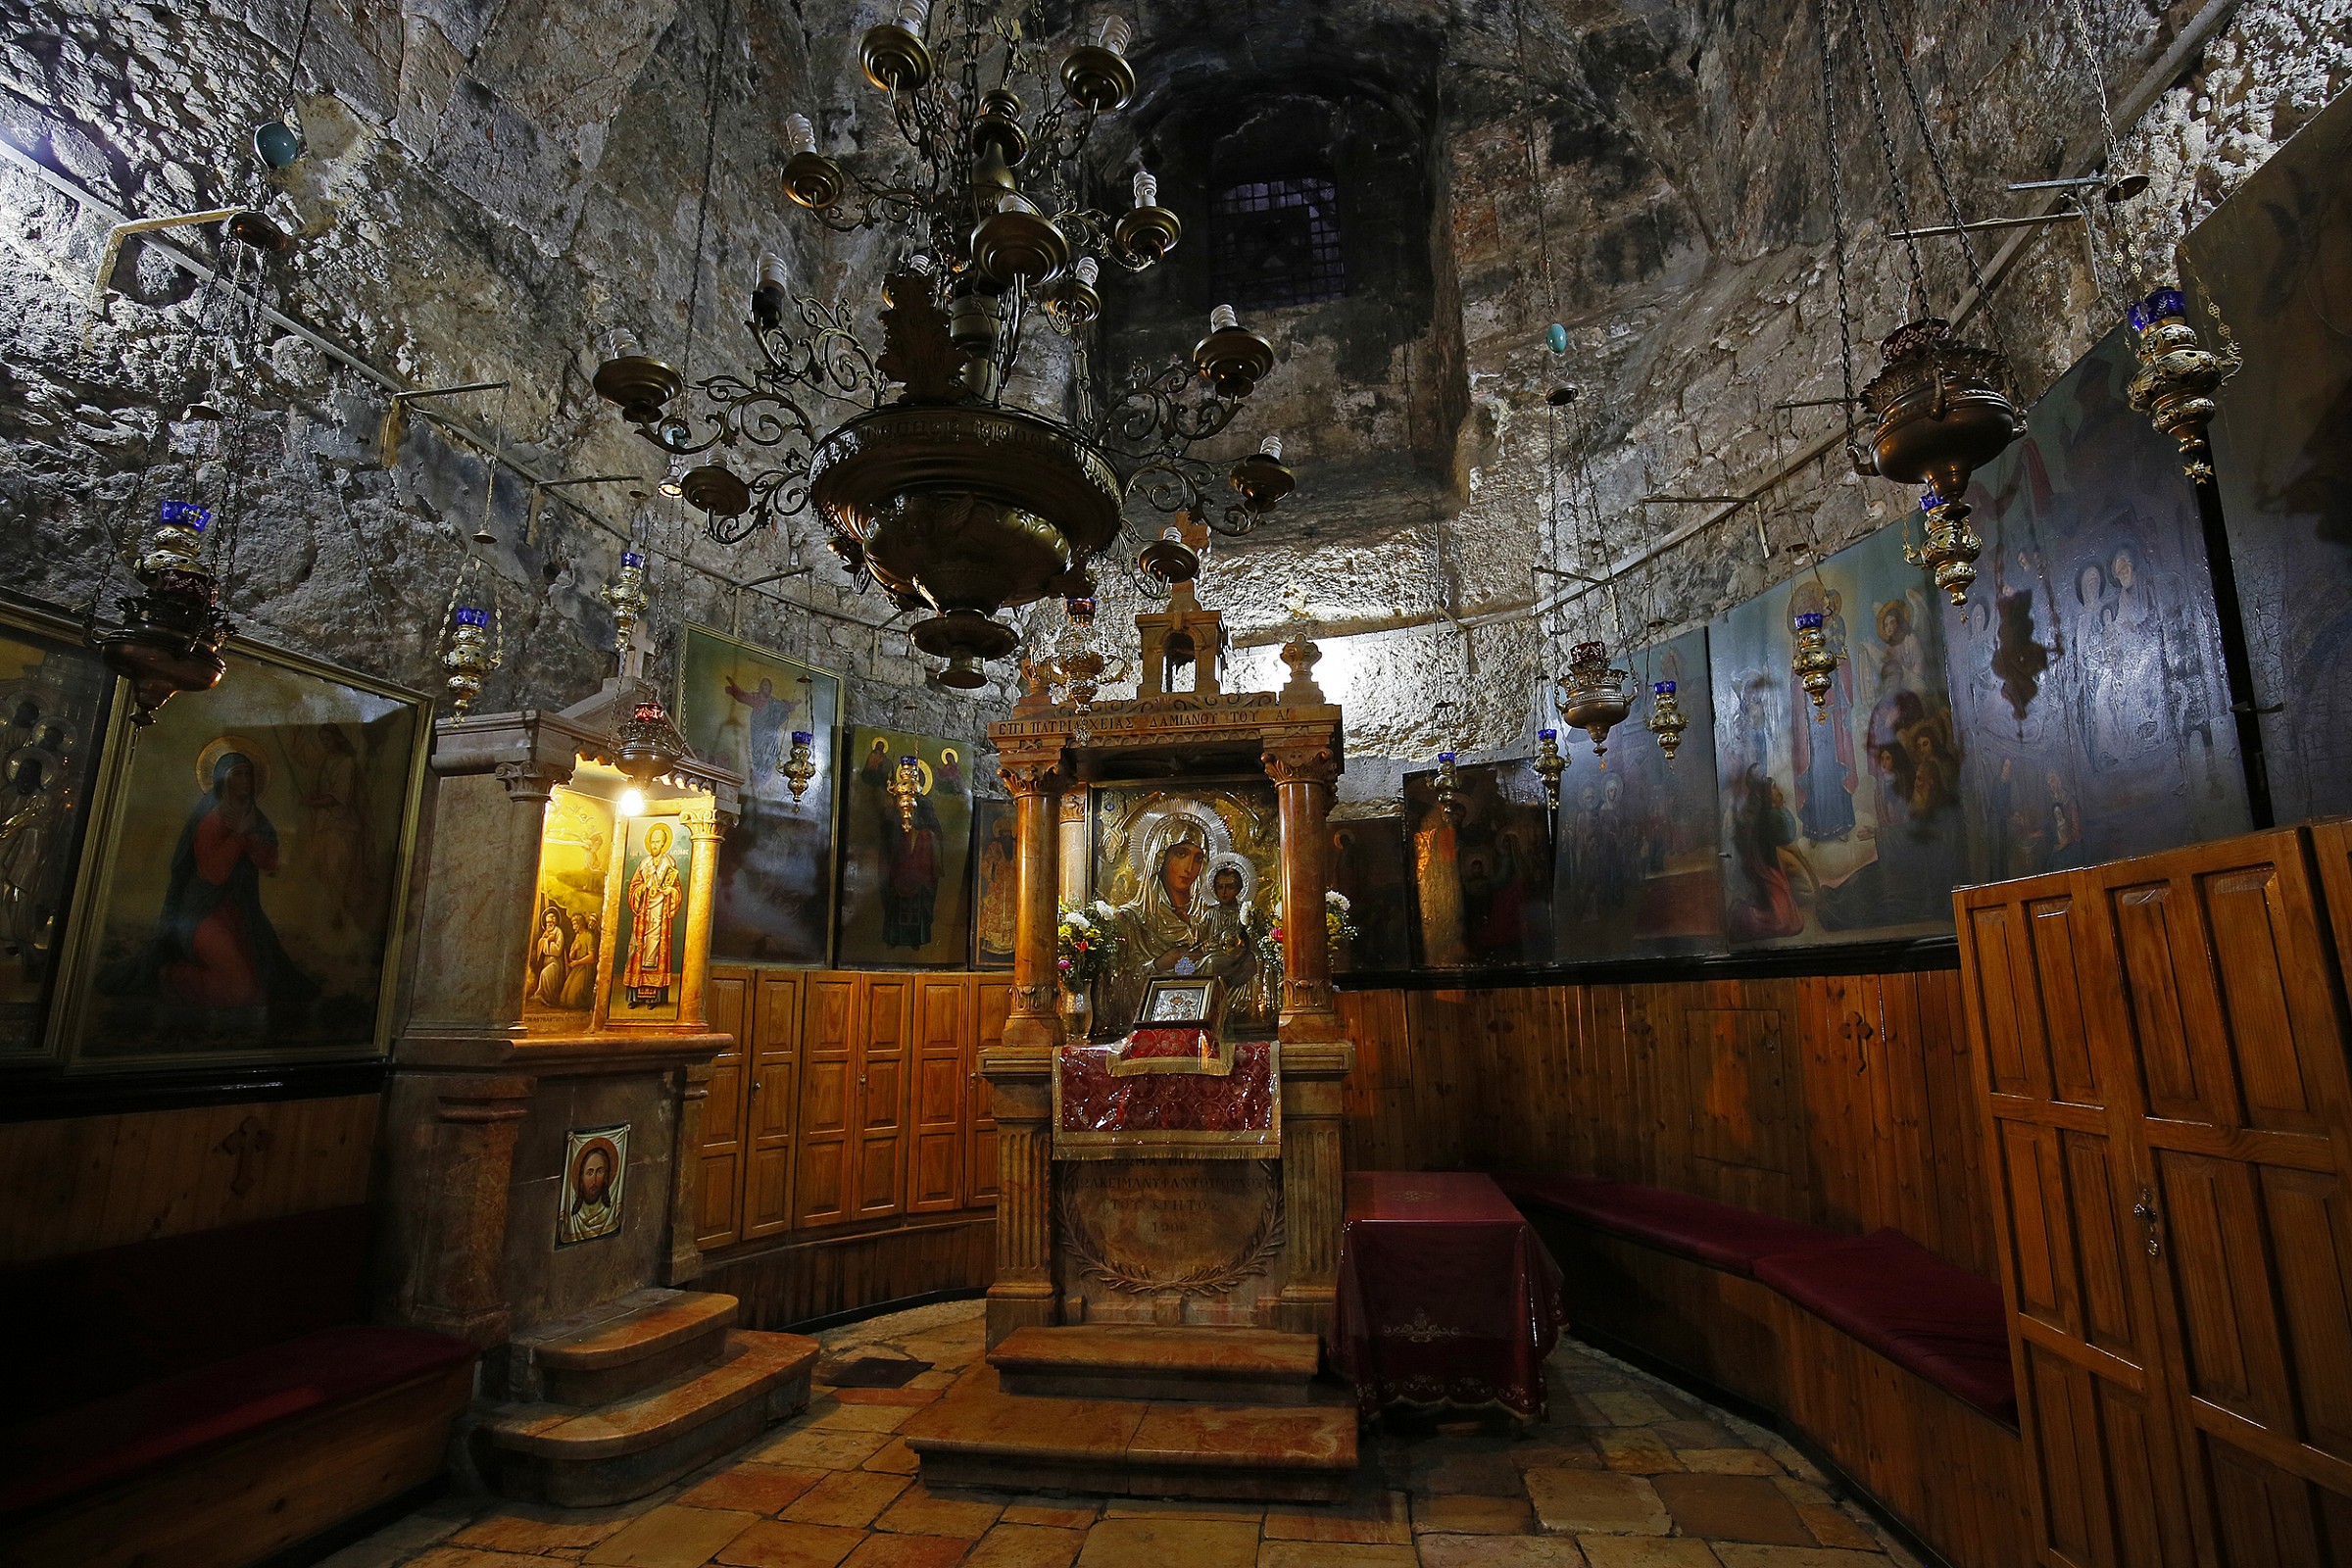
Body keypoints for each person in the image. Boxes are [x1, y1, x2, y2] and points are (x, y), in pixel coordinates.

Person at [107, 750, 317, 1024]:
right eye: (238, 774)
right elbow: (213, 874)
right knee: (244, 993)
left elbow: (271, 861)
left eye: (248, 774)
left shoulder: (253, 816)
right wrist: (239, 837)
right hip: (203, 914)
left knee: (266, 987)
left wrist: (250, 837)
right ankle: (172, 977)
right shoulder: (212, 818)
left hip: (240, 914)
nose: (246, 781)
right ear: (222, 780)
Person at [622, 823, 684, 1005]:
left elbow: (677, 890)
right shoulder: (644, 864)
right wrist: (642, 888)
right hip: (644, 915)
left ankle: (656, 996)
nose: (654, 845)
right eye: (652, 841)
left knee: (657, 953)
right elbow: (633, 887)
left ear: (664, 844)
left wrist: (670, 892)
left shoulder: (670, 863)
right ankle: (635, 996)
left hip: (660, 915)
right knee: (638, 951)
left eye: (658, 842)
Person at [564, 1142, 620, 1240]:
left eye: (600, 1172)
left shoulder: (610, 1214)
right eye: (589, 1173)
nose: (594, 1180)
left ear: (606, 1176)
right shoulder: (573, 1220)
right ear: (581, 1177)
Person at [530, 906, 568, 1006]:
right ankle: (542, 996)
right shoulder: (546, 933)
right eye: (547, 922)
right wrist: (545, 940)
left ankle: (547, 997)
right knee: (541, 973)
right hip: (546, 962)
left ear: (555, 922)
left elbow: (557, 950)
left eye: (551, 922)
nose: (549, 924)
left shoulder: (558, 932)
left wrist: (548, 941)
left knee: (545, 974)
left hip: (555, 963)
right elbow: (540, 944)